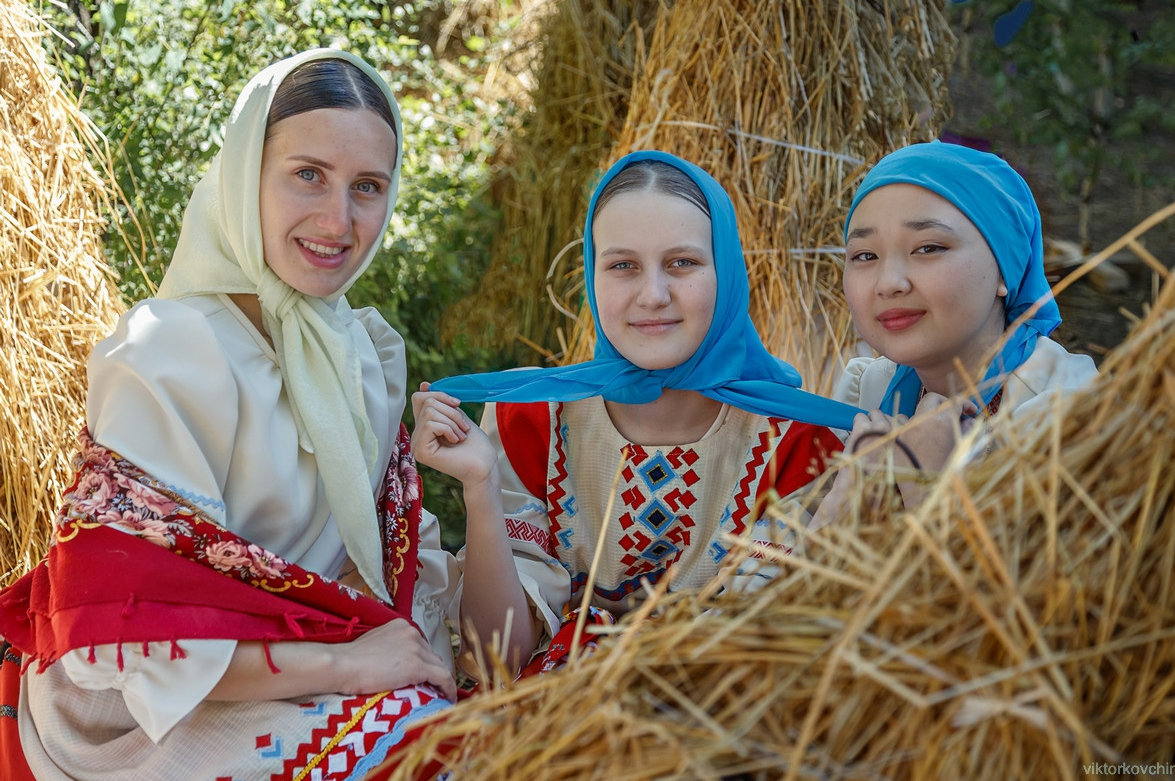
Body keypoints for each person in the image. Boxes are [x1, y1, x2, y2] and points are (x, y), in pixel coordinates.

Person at [0, 49, 459, 781]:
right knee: (416, 748)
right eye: (308, 174)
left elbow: (385, 566)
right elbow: (117, 631)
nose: (338, 220)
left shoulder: (362, 355)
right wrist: (341, 663)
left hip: (321, 663)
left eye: (366, 187)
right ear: (246, 175)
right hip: (144, 713)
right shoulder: (169, 351)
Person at [411, 150, 861, 674]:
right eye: (622, 265)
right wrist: (482, 487)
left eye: (682, 263)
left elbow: (761, 663)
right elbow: (493, 665)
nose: (653, 295)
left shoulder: (799, 445)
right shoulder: (530, 423)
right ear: (592, 275)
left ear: (729, 271)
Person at [816, 140, 1098, 518]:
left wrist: (925, 486)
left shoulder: (1070, 414)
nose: (888, 283)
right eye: (865, 255)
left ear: (1004, 269)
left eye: (928, 247)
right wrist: (841, 506)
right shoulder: (867, 392)